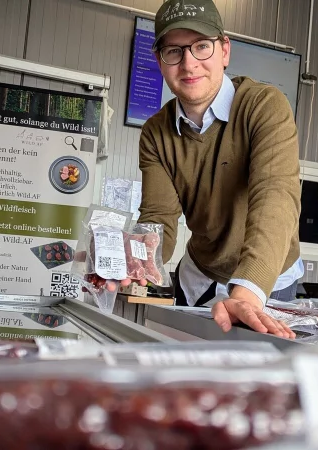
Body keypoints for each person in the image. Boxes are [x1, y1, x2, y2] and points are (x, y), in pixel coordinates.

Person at [126, 0, 303, 339]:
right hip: (201, 272)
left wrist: (247, 295)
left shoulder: (264, 105)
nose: (189, 63)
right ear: (160, 61)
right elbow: (158, 218)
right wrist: (132, 262)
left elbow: (275, 197)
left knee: (260, 365)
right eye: (174, 51)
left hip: (268, 278)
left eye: (201, 46)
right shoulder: (155, 132)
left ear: (224, 51)